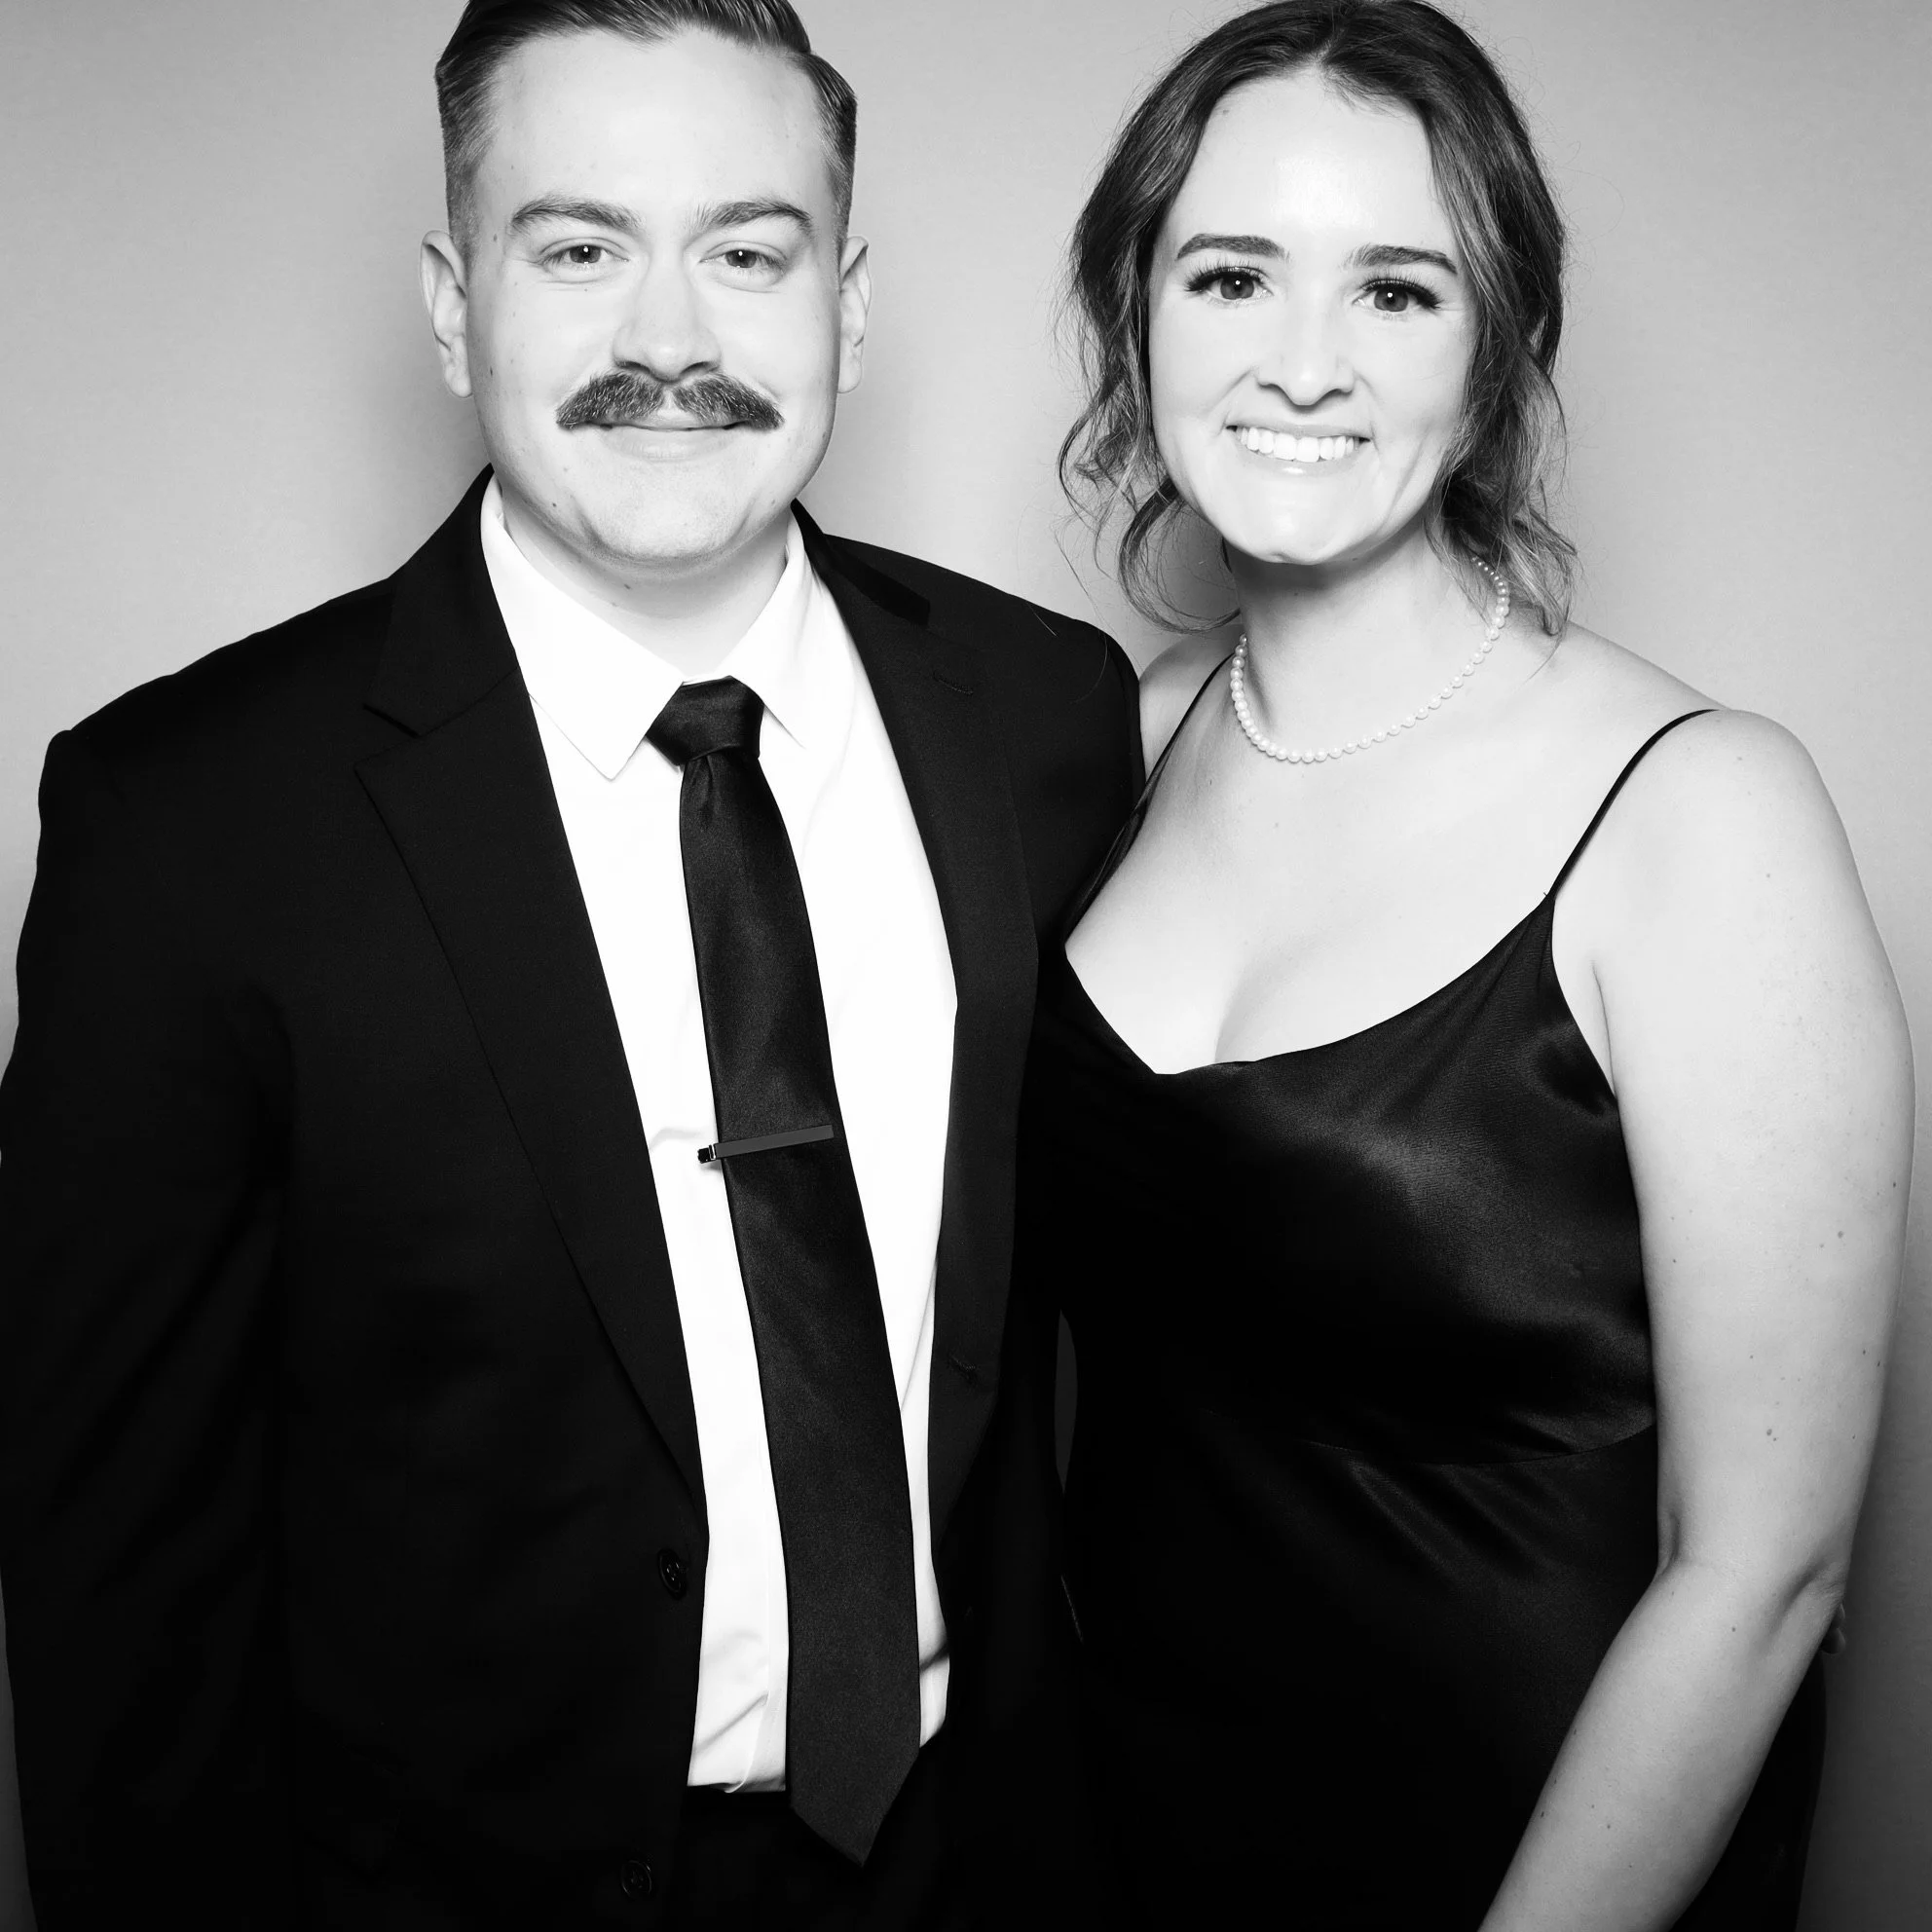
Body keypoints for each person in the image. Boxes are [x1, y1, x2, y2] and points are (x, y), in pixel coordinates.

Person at [0, 2, 1138, 1925]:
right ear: (454, 305)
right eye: (579, 246)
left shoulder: (1043, 720)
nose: (671, 338)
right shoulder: (186, 820)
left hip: (979, 1859)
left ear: (846, 303)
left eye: (748, 250)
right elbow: (121, 1579)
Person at [1021, 2, 1913, 1926]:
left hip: (1535, 1865)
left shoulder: (1698, 815)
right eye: (1229, 273)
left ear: (1495, 347)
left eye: (1398, 292)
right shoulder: (1098, 744)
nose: (1300, 363)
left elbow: (1761, 1573)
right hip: (1119, 1839)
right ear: (1136, 315)